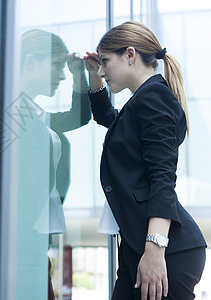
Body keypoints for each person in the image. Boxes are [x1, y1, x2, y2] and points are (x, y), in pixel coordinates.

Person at [0, 29, 91, 300]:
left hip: (25, 243)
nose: (61, 75)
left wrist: (79, 73)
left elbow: (80, 117)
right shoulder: (1, 106)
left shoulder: (31, 113)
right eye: (56, 65)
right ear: (30, 62)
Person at [83, 21, 207, 300]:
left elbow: (162, 178)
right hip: (139, 247)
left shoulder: (154, 98)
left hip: (164, 251)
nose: (102, 72)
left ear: (130, 54)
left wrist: (154, 248)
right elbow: (108, 119)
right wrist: (92, 76)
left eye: (105, 62)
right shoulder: (143, 101)